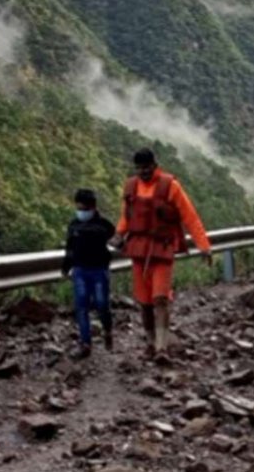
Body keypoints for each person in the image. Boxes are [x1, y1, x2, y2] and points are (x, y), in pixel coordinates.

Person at [112, 148, 212, 359]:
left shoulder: (170, 186)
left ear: (155, 165)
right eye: (139, 168)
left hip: (162, 248)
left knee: (161, 299)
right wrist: (118, 235)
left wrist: (203, 246)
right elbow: (126, 217)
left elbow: (190, 216)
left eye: (146, 167)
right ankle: (150, 343)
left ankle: (162, 348)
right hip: (138, 249)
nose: (143, 172)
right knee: (144, 302)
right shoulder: (131, 187)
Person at [61, 189, 116, 360]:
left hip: (99, 270)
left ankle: (107, 330)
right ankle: (85, 343)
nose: (81, 212)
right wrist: (65, 267)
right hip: (80, 270)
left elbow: (114, 237)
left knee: (102, 305)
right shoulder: (73, 225)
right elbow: (69, 249)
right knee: (81, 307)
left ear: (92, 207)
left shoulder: (104, 226)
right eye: (79, 208)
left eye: (84, 209)